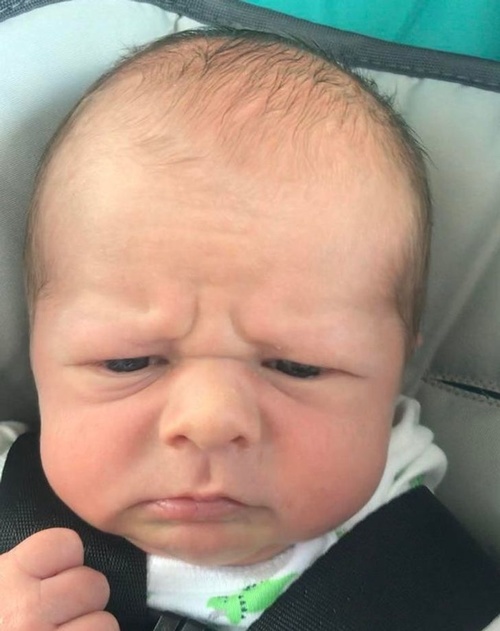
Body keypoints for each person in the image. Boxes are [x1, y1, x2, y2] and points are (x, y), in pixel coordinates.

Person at [0, 28, 446, 630]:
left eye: (297, 366)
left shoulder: (436, 583)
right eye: (128, 362)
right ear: (37, 352)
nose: (208, 421)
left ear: (396, 370)